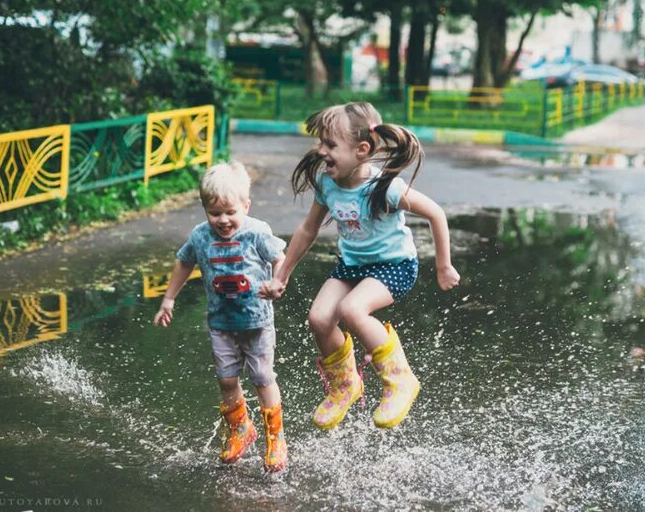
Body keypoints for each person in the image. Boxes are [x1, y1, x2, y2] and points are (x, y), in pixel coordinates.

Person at [260, 102, 460, 430]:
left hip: (394, 266)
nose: (321, 151)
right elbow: (308, 229)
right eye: (321, 143)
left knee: (353, 310)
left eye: (330, 145)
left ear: (362, 149)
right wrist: (281, 275)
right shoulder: (328, 184)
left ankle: (400, 380)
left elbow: (436, 213)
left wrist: (443, 266)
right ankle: (345, 385)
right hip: (352, 267)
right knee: (319, 318)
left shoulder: (385, 187)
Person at [153, 161, 288, 472]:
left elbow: (281, 258)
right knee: (227, 380)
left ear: (246, 206)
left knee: (262, 378)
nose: (223, 220)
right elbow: (183, 262)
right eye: (215, 214)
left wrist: (277, 282)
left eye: (231, 213)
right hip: (221, 323)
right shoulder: (201, 236)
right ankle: (241, 429)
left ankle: (275, 437)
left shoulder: (257, 232)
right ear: (204, 210)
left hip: (256, 323)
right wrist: (168, 299)